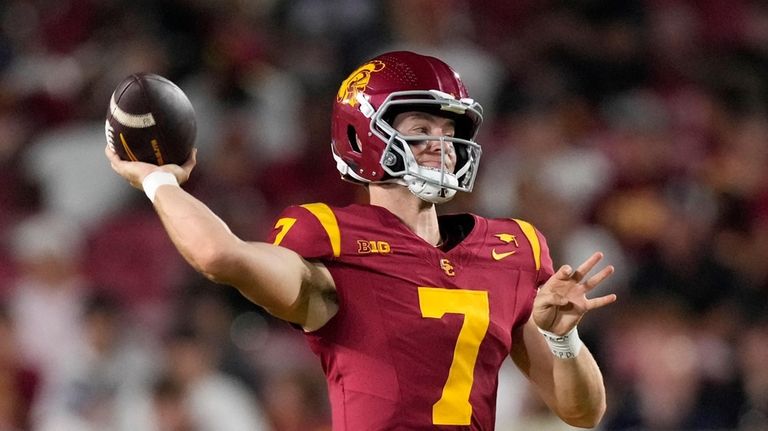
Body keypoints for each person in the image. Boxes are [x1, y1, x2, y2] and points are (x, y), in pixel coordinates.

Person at [105, 50, 617, 430]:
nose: (441, 144)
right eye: (422, 126)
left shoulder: (514, 247)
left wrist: (563, 339)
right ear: (361, 135)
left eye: (449, 129)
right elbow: (219, 255)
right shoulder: (332, 238)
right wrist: (159, 181)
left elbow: (584, 411)